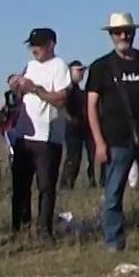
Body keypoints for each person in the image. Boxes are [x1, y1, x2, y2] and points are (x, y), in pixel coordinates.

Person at [87, 12, 139, 252]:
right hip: (115, 140)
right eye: (118, 32)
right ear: (111, 35)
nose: (124, 36)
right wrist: (98, 142)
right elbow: (91, 106)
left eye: (128, 31)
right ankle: (114, 240)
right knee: (113, 193)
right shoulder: (101, 67)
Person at [5, 28, 73, 241]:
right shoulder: (31, 66)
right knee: (20, 185)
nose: (35, 49)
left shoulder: (59, 66)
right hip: (25, 134)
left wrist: (35, 89)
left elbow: (61, 98)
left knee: (45, 186)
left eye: (39, 45)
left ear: (51, 44)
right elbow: (20, 94)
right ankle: (20, 227)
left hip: (47, 136)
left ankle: (44, 229)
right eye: (32, 45)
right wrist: (16, 84)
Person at [58, 60, 95, 190]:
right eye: (78, 71)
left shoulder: (78, 89)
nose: (81, 74)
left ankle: (91, 182)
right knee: (73, 156)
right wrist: (70, 119)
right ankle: (66, 184)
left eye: (83, 71)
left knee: (89, 156)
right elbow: (62, 106)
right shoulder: (67, 88)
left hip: (83, 126)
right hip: (72, 128)